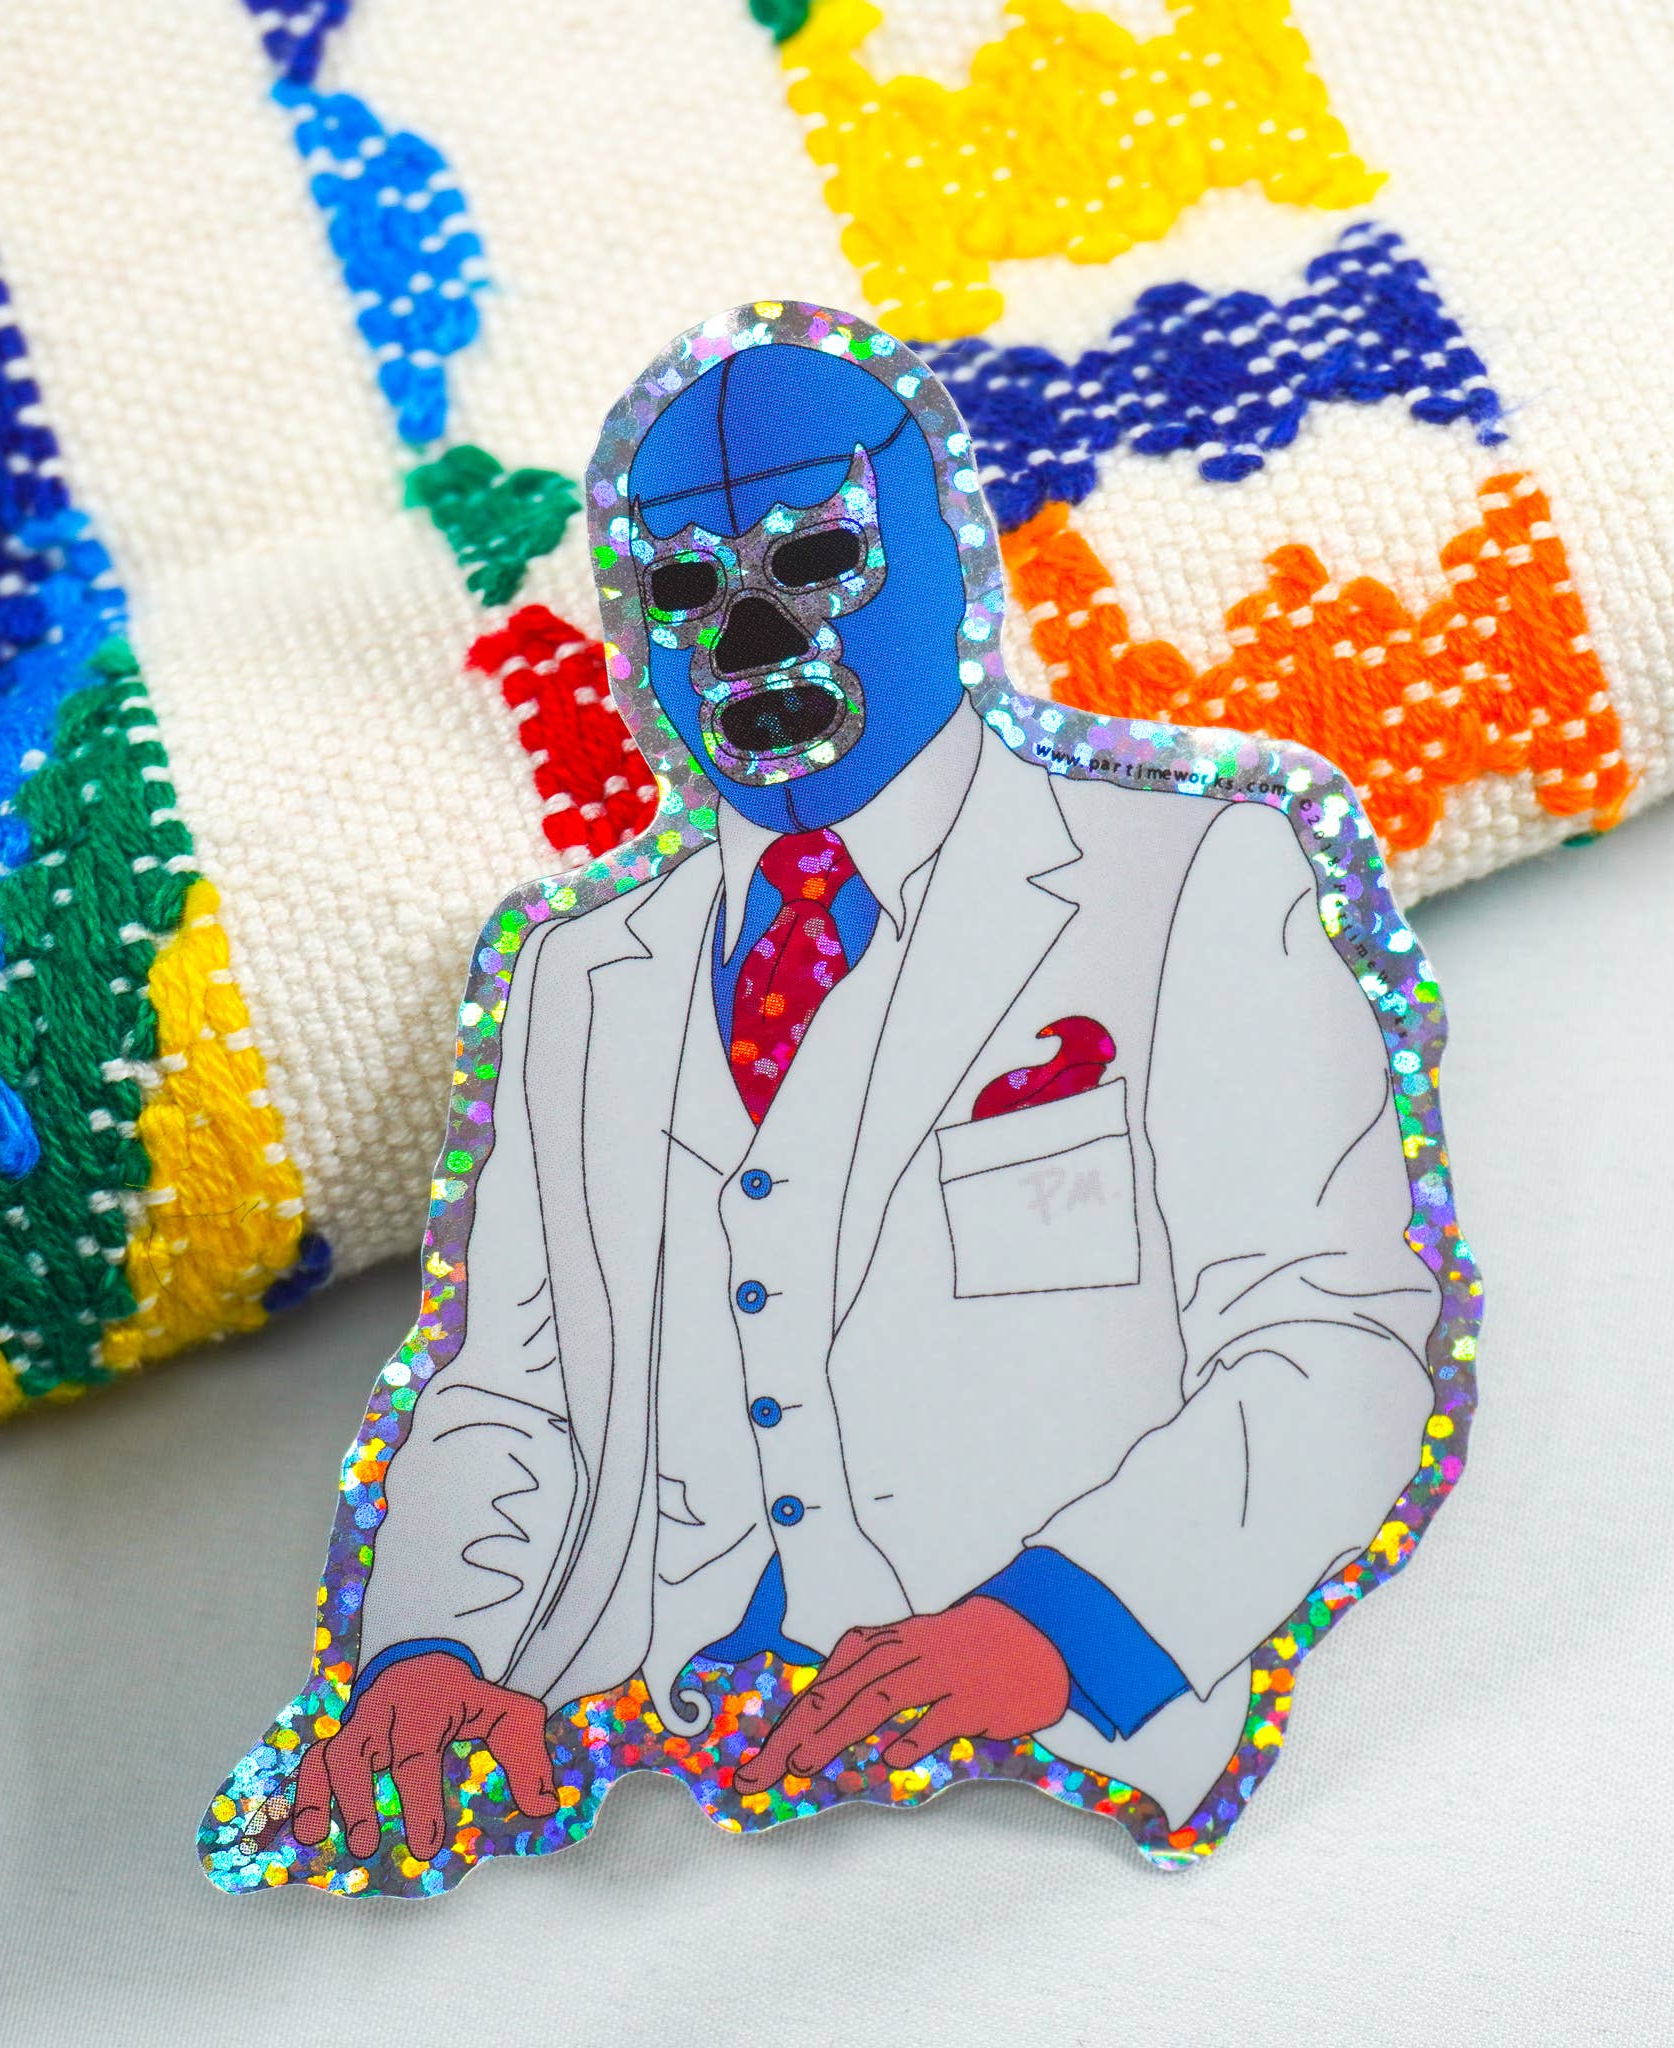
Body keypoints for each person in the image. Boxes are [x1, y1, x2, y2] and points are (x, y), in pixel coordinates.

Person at [292, 309, 1441, 1863]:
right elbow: (510, 1386)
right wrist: (428, 1656)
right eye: (689, 592)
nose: (749, 639)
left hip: (1049, 1810)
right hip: (618, 1795)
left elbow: (1334, 1341)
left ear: (952, 557)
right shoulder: (570, 973)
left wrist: (1055, 1628)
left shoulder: (1193, 874)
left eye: (816, 558)